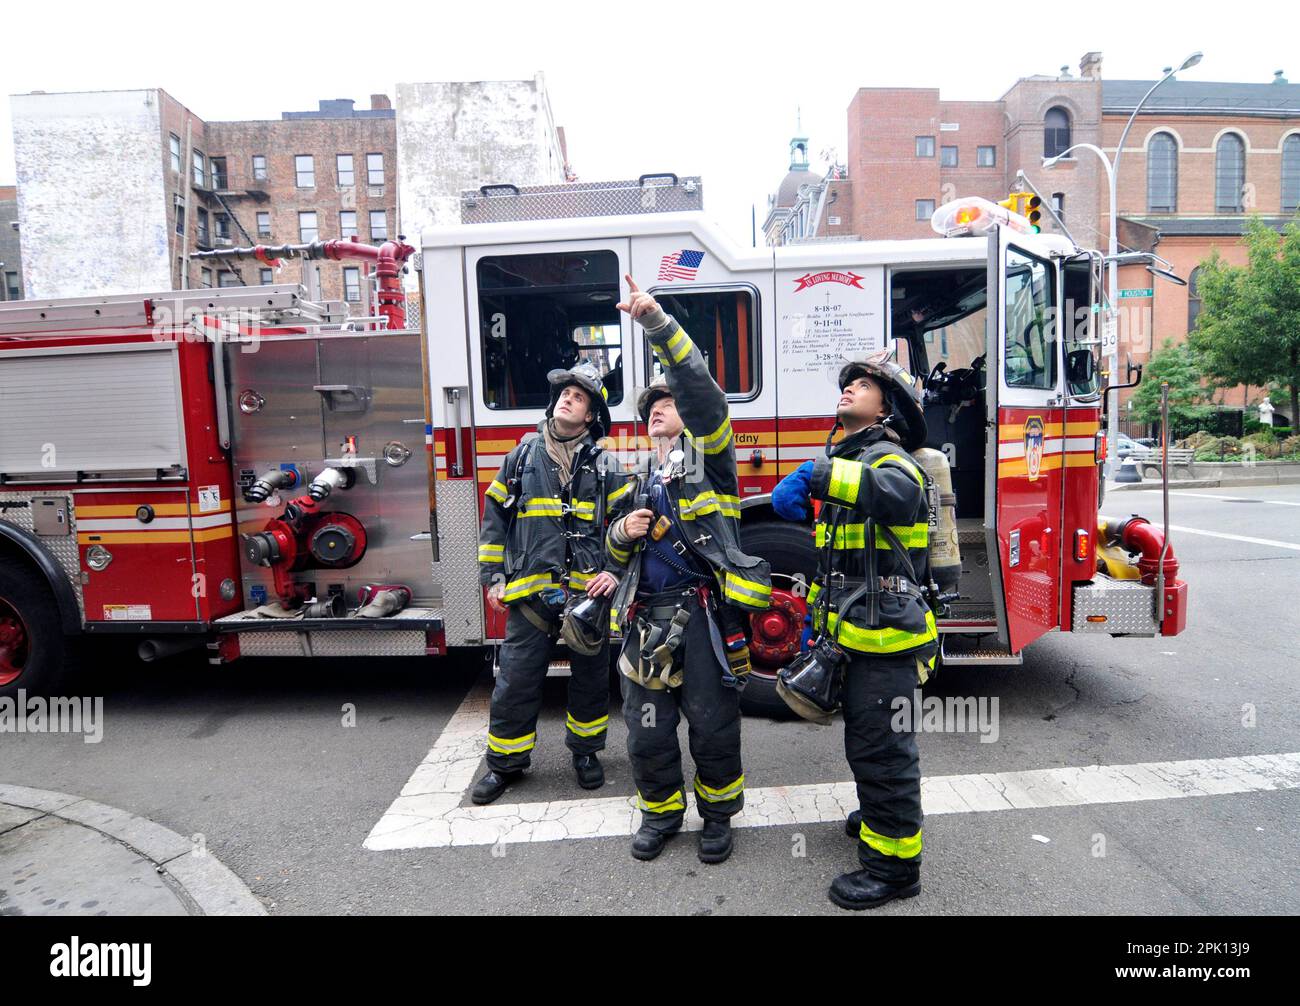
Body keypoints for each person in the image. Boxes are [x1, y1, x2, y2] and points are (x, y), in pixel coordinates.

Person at [605, 276, 772, 864]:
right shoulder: (629, 481)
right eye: (651, 408)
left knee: (713, 724)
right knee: (646, 730)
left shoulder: (711, 461)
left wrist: (657, 324)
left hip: (701, 620)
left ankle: (719, 818)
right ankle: (660, 815)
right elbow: (612, 557)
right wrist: (620, 535)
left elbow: (701, 390)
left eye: (667, 405)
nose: (659, 413)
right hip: (643, 622)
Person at [771, 351, 937, 909]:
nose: (849, 389)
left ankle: (894, 869)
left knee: (884, 750)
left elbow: (898, 494)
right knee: (868, 744)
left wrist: (816, 475)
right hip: (859, 635)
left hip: (888, 642)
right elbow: (838, 568)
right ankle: (879, 818)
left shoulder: (890, 459)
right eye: (849, 384)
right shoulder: (854, 460)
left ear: (886, 408)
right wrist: (816, 627)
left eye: (863, 386)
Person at [471, 361, 634, 804]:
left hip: (587, 596)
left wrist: (613, 574)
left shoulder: (608, 466)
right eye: (565, 393)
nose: (568, 398)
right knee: (517, 680)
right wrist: (493, 578)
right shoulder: (521, 456)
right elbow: (494, 522)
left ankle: (586, 754)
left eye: (579, 397)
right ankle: (505, 764)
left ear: (590, 416)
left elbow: (628, 527)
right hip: (528, 594)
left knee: (589, 679)